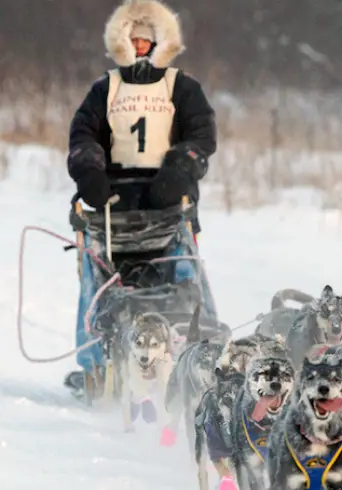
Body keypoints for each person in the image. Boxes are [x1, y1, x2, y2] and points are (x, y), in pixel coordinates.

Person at [64, 0, 217, 399]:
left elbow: (202, 137)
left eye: (148, 40)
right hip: (113, 208)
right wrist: (90, 174)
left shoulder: (182, 87)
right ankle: (95, 367)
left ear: (163, 42)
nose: (141, 47)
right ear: (121, 42)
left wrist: (180, 168)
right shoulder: (106, 88)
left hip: (168, 203)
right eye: (134, 40)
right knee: (95, 286)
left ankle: (207, 357)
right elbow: (83, 136)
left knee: (189, 277)